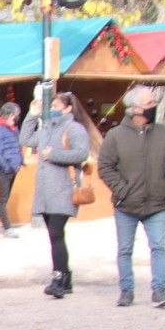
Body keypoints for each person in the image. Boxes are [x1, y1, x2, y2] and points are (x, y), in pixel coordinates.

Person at [98, 86, 165, 309]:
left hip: (156, 203)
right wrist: (122, 190)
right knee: (125, 250)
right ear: (134, 108)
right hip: (126, 205)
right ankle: (126, 291)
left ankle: (159, 291)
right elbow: (105, 167)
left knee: (158, 248)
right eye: (149, 104)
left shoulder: (164, 133)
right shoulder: (115, 136)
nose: (153, 107)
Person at [23, 91, 98, 298]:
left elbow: (81, 153)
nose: (53, 110)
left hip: (64, 189)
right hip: (45, 191)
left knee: (56, 234)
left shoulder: (74, 129)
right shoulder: (47, 128)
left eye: (56, 106)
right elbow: (26, 139)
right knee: (55, 235)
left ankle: (58, 278)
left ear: (68, 108)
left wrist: (53, 155)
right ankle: (66, 278)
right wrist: (32, 115)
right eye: (52, 106)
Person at [0, 102, 23, 237]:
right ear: (10, 114)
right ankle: (8, 228)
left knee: (3, 198)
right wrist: (6, 167)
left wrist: (20, 162)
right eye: (16, 114)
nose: (17, 116)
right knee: (3, 199)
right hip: (2, 169)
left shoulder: (13, 129)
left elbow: (17, 147)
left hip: (12, 168)